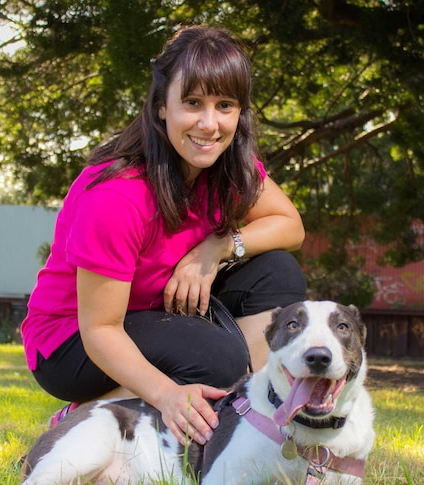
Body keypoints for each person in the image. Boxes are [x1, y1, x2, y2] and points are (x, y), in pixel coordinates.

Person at [21, 25, 306, 447]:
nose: (209, 124)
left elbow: (290, 225)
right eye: (193, 103)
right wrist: (166, 394)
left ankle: (232, 415)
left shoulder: (228, 171)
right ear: (161, 106)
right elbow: (101, 328)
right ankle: (84, 415)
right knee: (216, 360)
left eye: (224, 105)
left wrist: (217, 248)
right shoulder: (118, 193)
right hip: (75, 341)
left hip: (159, 313)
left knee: (279, 272)